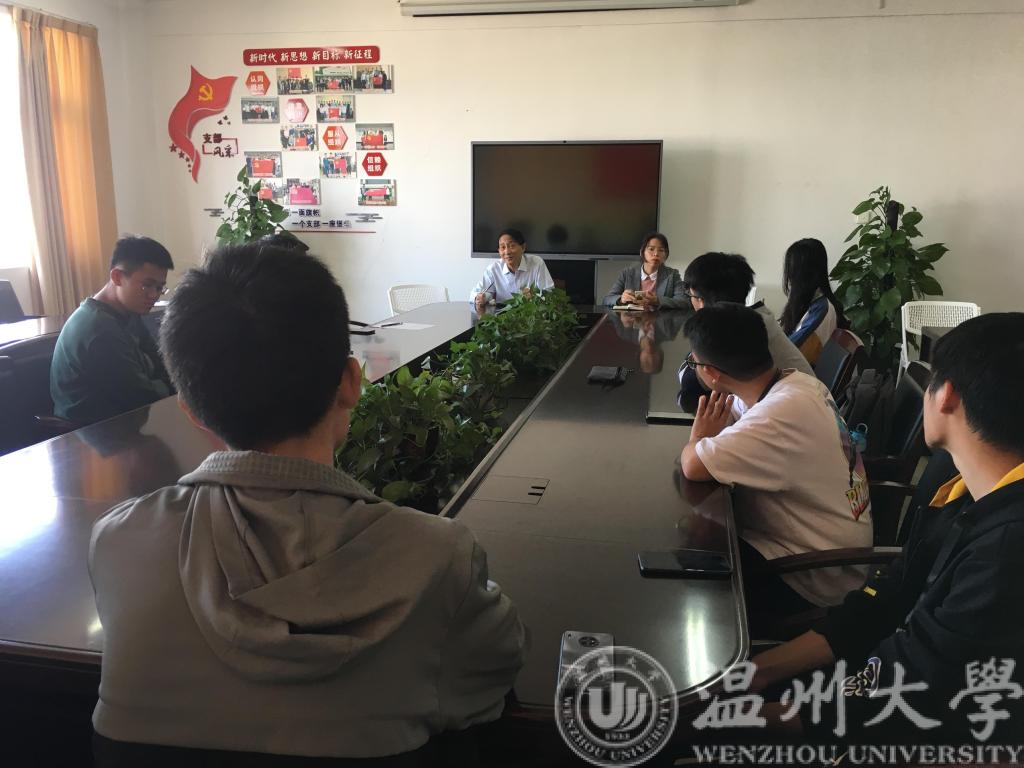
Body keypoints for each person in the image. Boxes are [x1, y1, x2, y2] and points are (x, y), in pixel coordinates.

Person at [89, 243, 527, 761]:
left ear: (191, 411)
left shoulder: (118, 543)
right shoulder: (437, 559)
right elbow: (497, 669)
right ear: (351, 383)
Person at [750, 313, 1024, 746]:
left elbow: (906, 693)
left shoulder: (1005, 551)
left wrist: (716, 719)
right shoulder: (960, 486)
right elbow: (890, 597)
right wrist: (756, 673)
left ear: (947, 395)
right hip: (879, 686)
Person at [679, 305, 872, 627]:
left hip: (812, 576)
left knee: (688, 569)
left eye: (693, 363)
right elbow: (731, 421)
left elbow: (693, 465)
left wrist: (698, 438)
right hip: (820, 549)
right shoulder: (796, 383)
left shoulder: (778, 415)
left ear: (711, 372)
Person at [50, 235, 174, 425]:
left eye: (159, 288)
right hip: (90, 432)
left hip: (127, 422)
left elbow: (162, 366)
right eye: (146, 285)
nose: (153, 296)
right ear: (117, 277)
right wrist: (169, 384)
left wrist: (166, 382)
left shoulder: (129, 313)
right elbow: (141, 396)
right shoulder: (98, 328)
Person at [779, 237, 849, 365]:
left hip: (801, 374)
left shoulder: (821, 311)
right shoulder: (811, 303)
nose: (789, 278)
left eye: (792, 271)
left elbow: (787, 354)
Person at [601, 231, 689, 310]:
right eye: (651, 249)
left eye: (661, 250)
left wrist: (657, 300)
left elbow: (684, 302)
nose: (656, 254)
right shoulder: (627, 273)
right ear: (642, 252)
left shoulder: (672, 275)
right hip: (631, 321)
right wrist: (621, 299)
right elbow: (607, 299)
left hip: (660, 321)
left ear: (665, 255)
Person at [471, 227, 554, 309]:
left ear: (523, 247)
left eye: (512, 246)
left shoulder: (536, 263)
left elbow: (549, 292)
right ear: (499, 251)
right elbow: (475, 294)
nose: (507, 252)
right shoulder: (493, 269)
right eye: (503, 247)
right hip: (503, 314)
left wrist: (533, 297)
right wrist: (481, 298)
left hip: (531, 313)